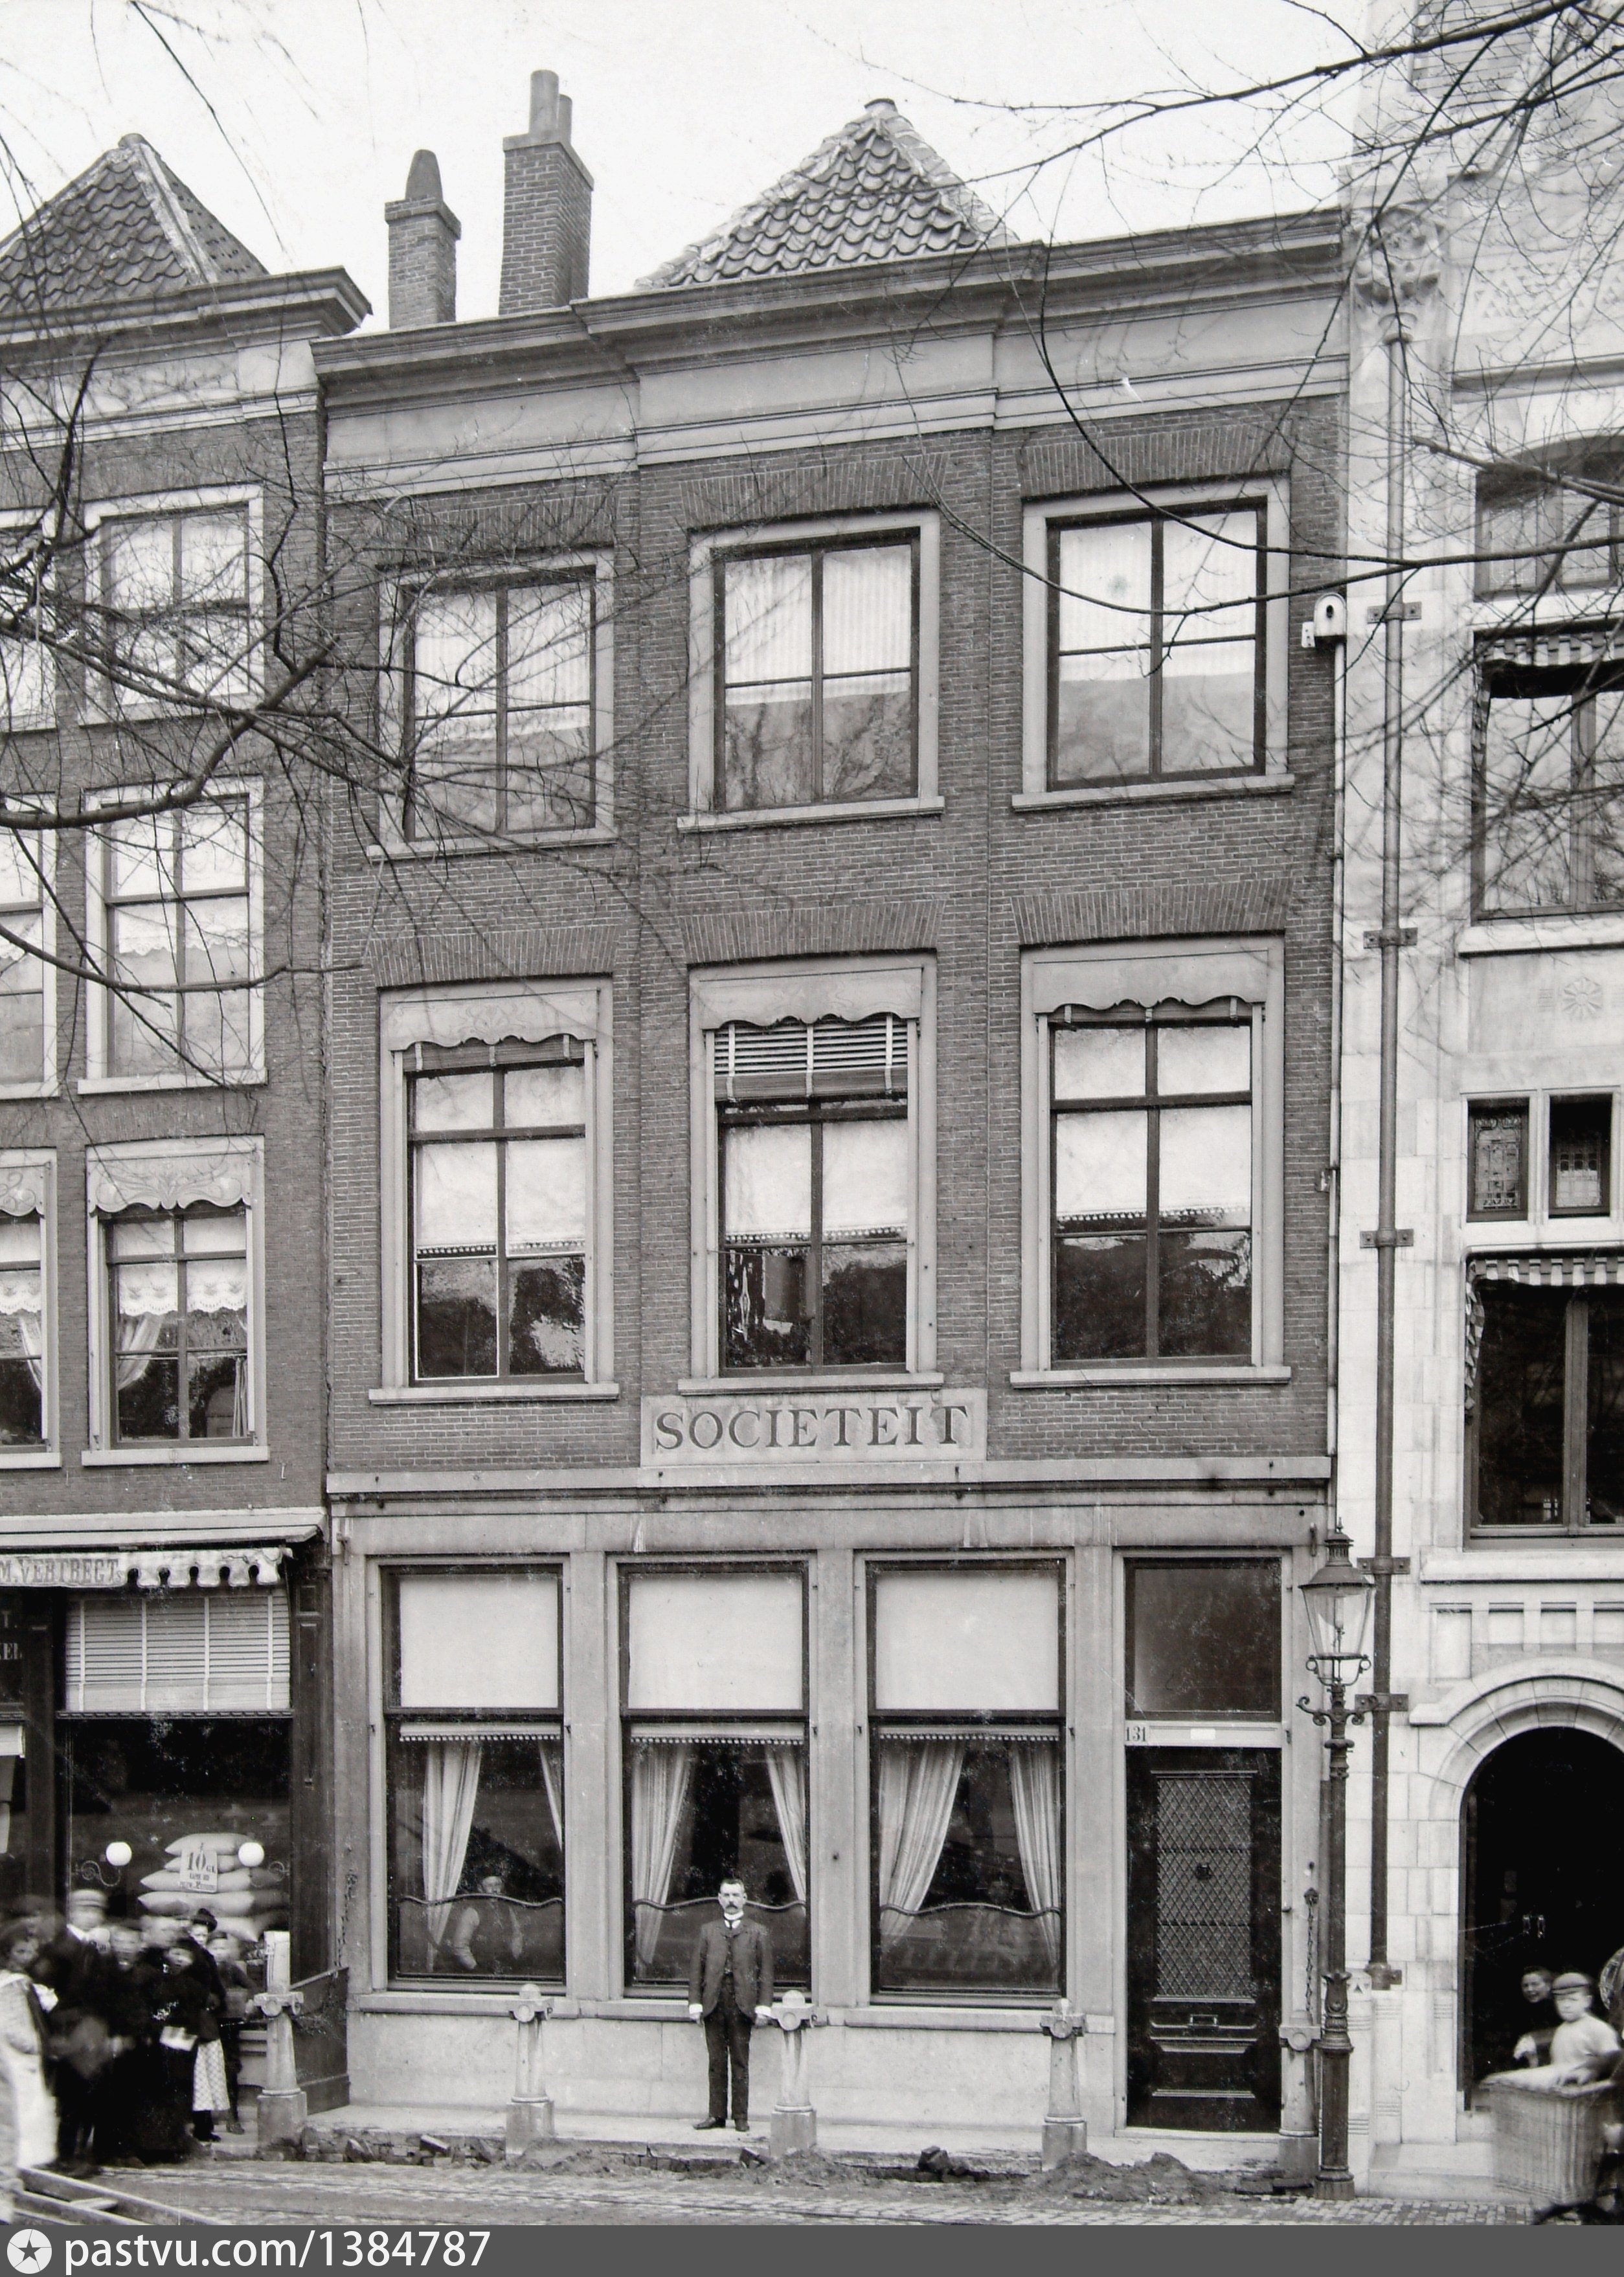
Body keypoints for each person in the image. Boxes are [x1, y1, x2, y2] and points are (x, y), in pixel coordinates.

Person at [687, 1875, 774, 2134]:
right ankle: (716, 2115)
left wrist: (764, 2007)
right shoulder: (708, 1931)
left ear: (745, 1899)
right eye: (726, 1895)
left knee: (740, 2061)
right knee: (716, 2061)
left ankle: (741, 2117)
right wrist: (695, 2004)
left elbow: (766, 1973)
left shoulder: (758, 1932)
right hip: (714, 2003)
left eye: (736, 1895)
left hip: (742, 2005)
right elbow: (697, 1970)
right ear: (719, 1899)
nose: (731, 1900)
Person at [1491, 1971, 1621, 2091]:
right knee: (1504, 2082)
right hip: (1558, 2085)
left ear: (1587, 2001)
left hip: (1582, 2090)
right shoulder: (1562, 2029)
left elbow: (1613, 2059)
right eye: (1561, 2000)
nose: (1566, 2005)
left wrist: (1591, 2071)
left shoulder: (1598, 2028)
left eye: (1573, 2000)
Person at [0, 1920, 58, 2175]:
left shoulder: (24, 1982)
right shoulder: (11, 1985)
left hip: (18, 2053)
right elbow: (12, 2025)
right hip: (15, 2055)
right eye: (20, 1952)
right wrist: (35, 2045)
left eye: (30, 1951)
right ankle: (22, 2159)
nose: (26, 1957)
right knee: (22, 2106)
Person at [207, 1932, 249, 2131]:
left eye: (223, 1948)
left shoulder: (232, 1970)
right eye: (215, 1948)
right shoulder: (203, 1971)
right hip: (207, 2026)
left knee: (230, 2069)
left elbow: (253, 1988)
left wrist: (249, 2002)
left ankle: (233, 2116)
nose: (220, 1953)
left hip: (229, 2026)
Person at [446, 1874, 524, 1975]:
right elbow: (459, 1946)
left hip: (505, 1969)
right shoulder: (472, 1912)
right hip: (481, 1971)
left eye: (497, 1885)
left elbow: (517, 1935)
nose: (495, 1890)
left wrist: (513, 1957)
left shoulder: (507, 1910)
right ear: (480, 1889)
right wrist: (475, 1968)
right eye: (490, 1886)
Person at [1515, 1966, 1558, 2066]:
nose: (1530, 1989)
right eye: (1525, 1986)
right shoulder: (1524, 2009)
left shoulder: (1558, 2006)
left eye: (1535, 1984)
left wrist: (1535, 2039)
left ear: (1548, 1986)